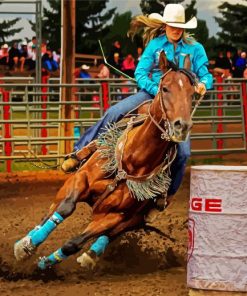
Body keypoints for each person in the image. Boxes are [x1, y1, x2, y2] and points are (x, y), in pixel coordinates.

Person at [64, 4, 213, 224]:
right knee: (114, 112)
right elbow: (140, 73)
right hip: (150, 95)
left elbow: (206, 74)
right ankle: (80, 153)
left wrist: (203, 84)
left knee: (182, 153)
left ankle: (165, 195)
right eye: (172, 25)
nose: (176, 29)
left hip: (177, 105)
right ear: (165, 25)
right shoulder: (155, 45)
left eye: (179, 26)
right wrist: (157, 93)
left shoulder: (195, 48)